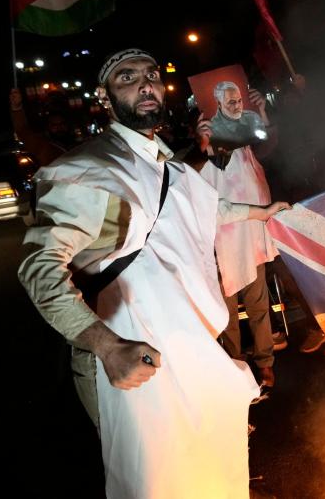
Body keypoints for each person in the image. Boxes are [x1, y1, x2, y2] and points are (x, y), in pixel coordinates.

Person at [18, 48, 289, 499]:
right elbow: (38, 269)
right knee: (156, 481)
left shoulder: (169, 163)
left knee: (209, 461)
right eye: (127, 78)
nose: (145, 84)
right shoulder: (89, 170)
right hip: (135, 353)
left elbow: (202, 207)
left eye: (151, 75)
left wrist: (257, 212)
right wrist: (107, 347)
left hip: (193, 343)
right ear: (105, 98)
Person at [197, 87, 283, 398]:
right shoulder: (206, 148)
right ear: (216, 103)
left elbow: (269, 146)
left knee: (258, 303)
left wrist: (262, 114)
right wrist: (204, 143)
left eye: (239, 99)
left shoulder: (245, 134)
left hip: (251, 237)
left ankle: (265, 362)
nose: (236, 104)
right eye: (229, 100)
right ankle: (236, 368)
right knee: (227, 311)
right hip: (221, 242)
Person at [208, 81, 270, 151]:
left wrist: (262, 111)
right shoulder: (212, 130)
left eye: (240, 100)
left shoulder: (252, 117)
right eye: (232, 102)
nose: (238, 106)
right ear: (219, 103)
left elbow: (269, 141)